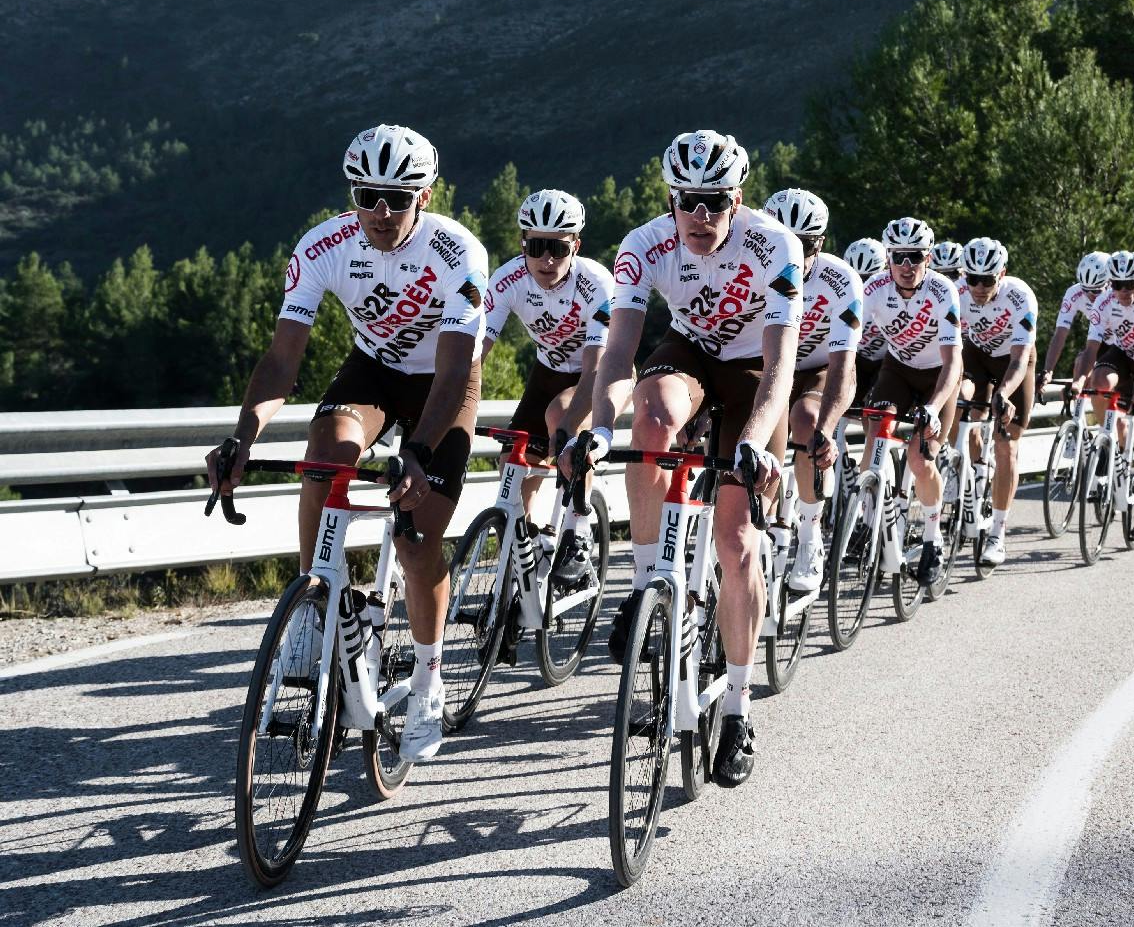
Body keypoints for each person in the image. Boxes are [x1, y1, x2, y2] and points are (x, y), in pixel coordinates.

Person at [208, 124, 486, 763]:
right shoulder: (322, 246)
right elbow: (282, 363)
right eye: (368, 195)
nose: (382, 212)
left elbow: (451, 373)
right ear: (352, 194)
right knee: (326, 451)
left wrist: (415, 449)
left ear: (426, 193)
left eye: (398, 196)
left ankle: (427, 678)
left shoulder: (458, 253)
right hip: (374, 371)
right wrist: (242, 436)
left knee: (417, 540)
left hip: (443, 384)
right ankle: (317, 608)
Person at [581, 130, 801, 788]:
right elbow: (618, 354)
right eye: (688, 202)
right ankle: (645, 581)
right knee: (650, 424)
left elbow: (783, 365)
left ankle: (737, 704)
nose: (700, 217)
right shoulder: (641, 245)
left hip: (754, 374)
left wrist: (756, 442)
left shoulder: (774, 245)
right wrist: (597, 427)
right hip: (689, 352)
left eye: (714, 203)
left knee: (735, 544)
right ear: (671, 200)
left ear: (738, 199)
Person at [480, 188, 613, 584]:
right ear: (523, 243)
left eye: (557, 247)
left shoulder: (596, 284)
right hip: (547, 372)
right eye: (536, 246)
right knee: (512, 462)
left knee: (563, 421)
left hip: (597, 374)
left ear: (576, 246)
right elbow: (473, 356)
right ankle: (533, 546)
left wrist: (568, 431)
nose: (547, 259)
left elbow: (594, 372)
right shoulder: (507, 280)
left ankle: (578, 528)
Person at [760, 188, 861, 594]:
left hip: (818, 369)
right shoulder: (750, 266)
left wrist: (828, 426)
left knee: (806, 423)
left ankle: (810, 533)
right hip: (766, 366)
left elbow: (843, 367)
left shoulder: (842, 282)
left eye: (805, 244)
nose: (794, 253)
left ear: (819, 242)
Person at [861, 216, 962, 587]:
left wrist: (934, 407)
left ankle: (933, 538)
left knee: (920, 458)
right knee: (876, 423)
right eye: (899, 257)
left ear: (928, 258)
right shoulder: (873, 288)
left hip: (939, 375)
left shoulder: (942, 291)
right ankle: (869, 519)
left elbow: (953, 363)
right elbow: (845, 339)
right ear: (888, 257)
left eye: (915, 257)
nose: (906, 266)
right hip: (899, 368)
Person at [1069, 249, 1134, 542]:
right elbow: (1091, 348)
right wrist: (1078, 382)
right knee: (1100, 380)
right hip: (1123, 355)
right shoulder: (1103, 301)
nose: (1124, 292)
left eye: (1130, 285)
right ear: (1110, 283)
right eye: (1117, 285)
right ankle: (1109, 439)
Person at [954, 237, 1036, 568]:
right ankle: (968, 471)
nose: (977, 286)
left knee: (1006, 446)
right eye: (971, 278)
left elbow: (1019, 359)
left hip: (1013, 365)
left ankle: (998, 534)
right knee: (960, 400)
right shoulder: (956, 293)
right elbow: (952, 350)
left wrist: (1003, 392)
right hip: (976, 355)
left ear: (1001, 274)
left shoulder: (1021, 297)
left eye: (986, 280)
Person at [1041, 252, 1110, 388]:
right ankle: (1079, 408)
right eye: (1085, 289)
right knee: (1080, 363)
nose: (1090, 295)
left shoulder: (1119, 293)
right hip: (1102, 342)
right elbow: (1060, 334)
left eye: (1096, 291)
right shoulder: (1074, 293)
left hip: (1125, 343)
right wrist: (1047, 370)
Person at [844, 237, 887, 406]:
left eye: (868, 278)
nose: (862, 286)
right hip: (858, 357)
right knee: (842, 398)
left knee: (875, 404)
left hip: (886, 359)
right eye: (856, 278)